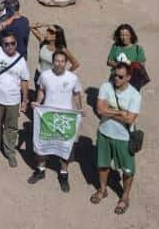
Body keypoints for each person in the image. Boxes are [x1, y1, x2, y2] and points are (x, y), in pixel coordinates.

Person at [30, 49, 84, 191]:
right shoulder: (45, 75)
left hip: (65, 118)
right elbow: (41, 90)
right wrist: (38, 102)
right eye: (56, 61)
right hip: (48, 116)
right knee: (43, 143)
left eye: (62, 61)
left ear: (66, 63)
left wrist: (79, 109)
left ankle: (64, 174)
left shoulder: (72, 78)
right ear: (52, 62)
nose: (59, 64)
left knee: (65, 147)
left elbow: (77, 94)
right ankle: (40, 170)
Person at [92, 62, 142, 214]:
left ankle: (125, 197)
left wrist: (109, 111)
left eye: (120, 77)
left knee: (127, 170)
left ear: (128, 77)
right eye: (115, 75)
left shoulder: (135, 95)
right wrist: (120, 113)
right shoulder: (106, 87)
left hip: (124, 138)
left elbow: (130, 120)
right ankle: (102, 189)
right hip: (104, 133)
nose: (116, 79)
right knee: (103, 164)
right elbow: (99, 110)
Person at [0, 33, 31, 167]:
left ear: (16, 43)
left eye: (13, 43)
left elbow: (24, 81)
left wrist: (25, 100)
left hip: (13, 100)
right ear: (2, 45)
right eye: (6, 44)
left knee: (11, 128)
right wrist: (0, 27)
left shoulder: (21, 60)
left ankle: (10, 152)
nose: (10, 46)